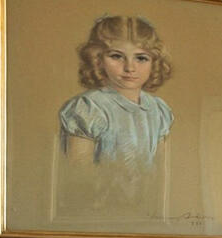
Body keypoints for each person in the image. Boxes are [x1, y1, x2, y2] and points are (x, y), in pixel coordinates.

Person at [55, 13, 175, 215]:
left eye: (141, 58)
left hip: (146, 209)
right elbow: (78, 170)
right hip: (98, 208)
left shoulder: (158, 110)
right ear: (97, 59)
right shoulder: (89, 107)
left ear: (154, 62)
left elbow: (161, 170)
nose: (129, 67)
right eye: (117, 56)